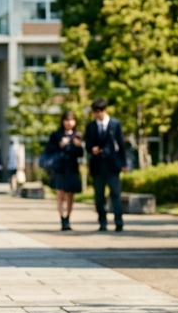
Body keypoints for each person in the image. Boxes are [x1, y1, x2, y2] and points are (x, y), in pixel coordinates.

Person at [83, 98, 127, 232]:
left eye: (100, 111)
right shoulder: (91, 126)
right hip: (97, 166)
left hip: (112, 164)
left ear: (105, 110)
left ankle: (119, 221)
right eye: (95, 112)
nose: (98, 114)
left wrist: (123, 163)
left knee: (115, 194)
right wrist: (92, 149)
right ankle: (102, 222)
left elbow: (121, 144)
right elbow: (88, 145)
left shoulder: (115, 124)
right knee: (99, 196)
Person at [45, 111, 84, 231]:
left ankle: (68, 218)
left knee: (71, 195)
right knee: (60, 194)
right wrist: (60, 145)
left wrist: (78, 146)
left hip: (72, 168)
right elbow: (49, 150)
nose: (69, 122)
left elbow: (81, 154)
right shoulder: (56, 135)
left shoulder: (78, 135)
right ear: (62, 121)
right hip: (60, 168)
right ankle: (62, 218)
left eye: (71, 120)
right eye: (67, 120)